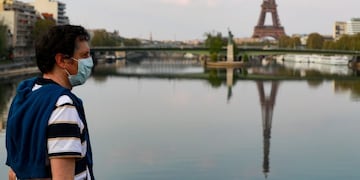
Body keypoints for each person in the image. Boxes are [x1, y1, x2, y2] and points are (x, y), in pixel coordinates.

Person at [6, 25, 95, 180]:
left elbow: (13, 173)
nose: (90, 61)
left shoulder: (26, 95)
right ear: (62, 60)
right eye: (84, 55)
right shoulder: (62, 105)